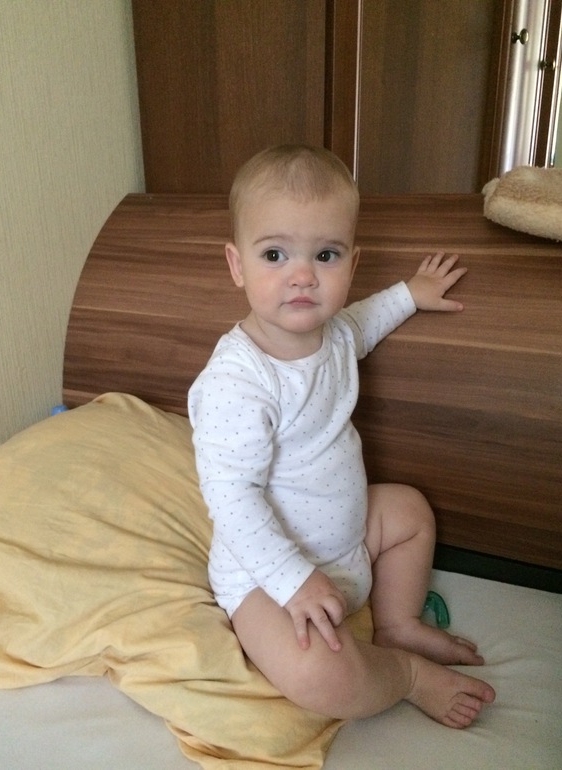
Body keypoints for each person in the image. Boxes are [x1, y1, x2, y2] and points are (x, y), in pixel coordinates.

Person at [188, 145, 496, 728]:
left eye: (325, 255)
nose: (302, 275)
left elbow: (364, 323)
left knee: (409, 509)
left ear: (351, 266)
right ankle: (406, 675)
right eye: (274, 254)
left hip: (348, 540)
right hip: (265, 579)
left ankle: (397, 623)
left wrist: (410, 294)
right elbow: (231, 499)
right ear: (236, 265)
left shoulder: (332, 335)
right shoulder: (238, 379)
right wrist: (292, 580)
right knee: (317, 675)